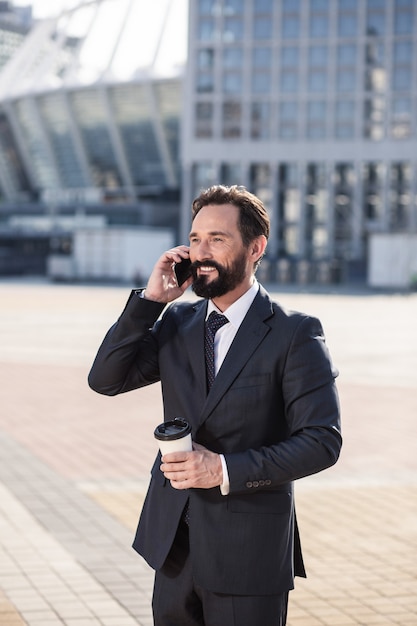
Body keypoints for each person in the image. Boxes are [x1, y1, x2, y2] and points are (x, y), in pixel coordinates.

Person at [88, 185, 342, 626]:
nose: (201, 252)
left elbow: (322, 441)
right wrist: (150, 303)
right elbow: (105, 380)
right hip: (173, 547)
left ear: (255, 247)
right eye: (195, 238)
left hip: (247, 552)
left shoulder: (294, 333)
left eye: (217, 239)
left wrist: (222, 469)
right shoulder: (178, 322)